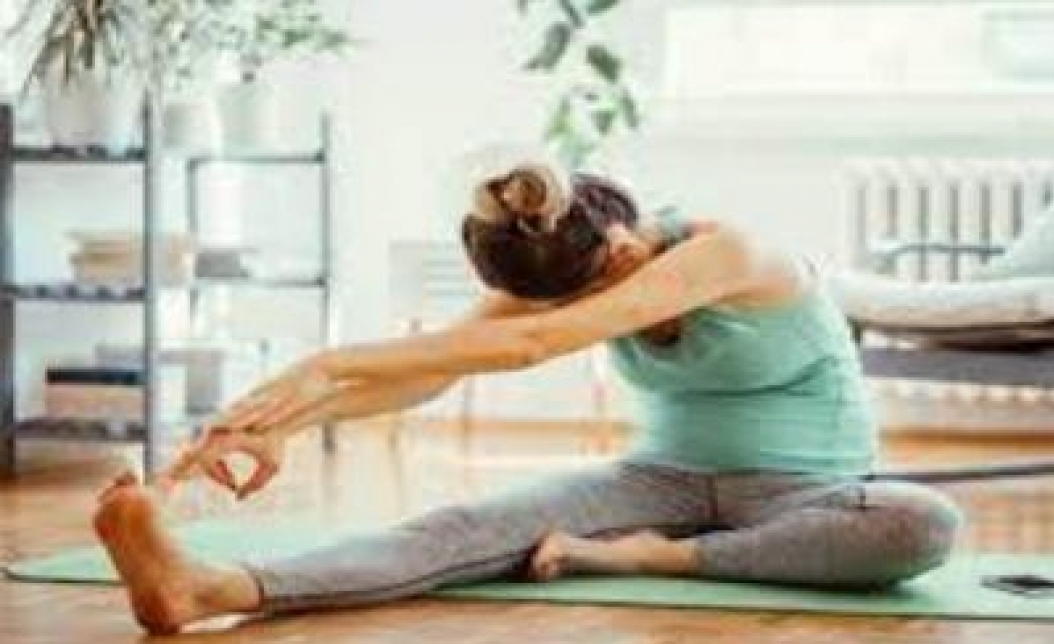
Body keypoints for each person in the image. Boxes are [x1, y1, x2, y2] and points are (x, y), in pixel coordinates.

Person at [92, 163, 962, 635]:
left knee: (922, 525)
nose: (578, 307)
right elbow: (437, 371)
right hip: (658, 478)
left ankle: (653, 560)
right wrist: (284, 417)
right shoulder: (561, 271)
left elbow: (530, 345)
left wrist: (326, 361)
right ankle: (210, 588)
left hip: (809, 493)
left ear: (623, 248)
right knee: (457, 528)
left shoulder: (728, 251)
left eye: (588, 293)